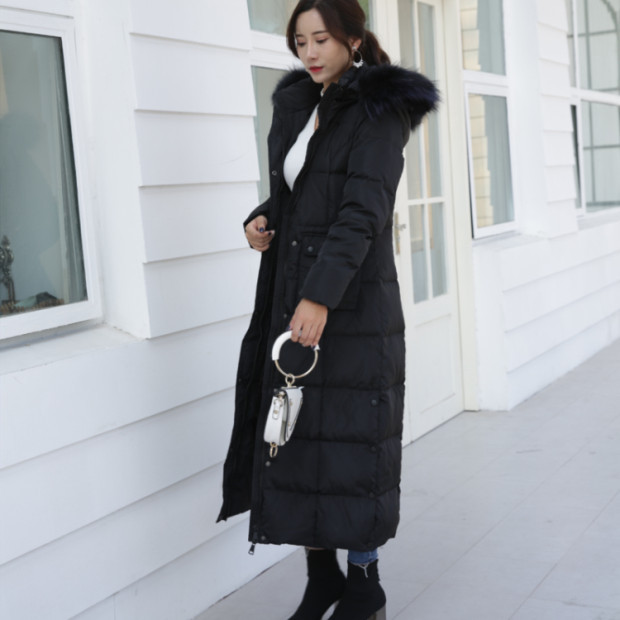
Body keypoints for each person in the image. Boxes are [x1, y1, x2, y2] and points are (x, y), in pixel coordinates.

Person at [218, 1, 438, 618]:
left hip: (350, 308)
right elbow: (301, 192)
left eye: (321, 39)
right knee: (295, 442)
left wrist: (318, 297)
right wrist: (263, 219)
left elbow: (361, 213)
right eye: (300, 41)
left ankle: (365, 585)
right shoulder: (302, 105)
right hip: (294, 299)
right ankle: (323, 579)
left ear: (353, 39)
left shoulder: (379, 109)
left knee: (350, 444)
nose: (309, 52)